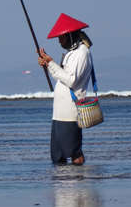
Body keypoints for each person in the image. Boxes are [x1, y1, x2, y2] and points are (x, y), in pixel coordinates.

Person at [38, 13, 93, 165]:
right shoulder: (72, 53)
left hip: (70, 112)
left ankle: (80, 185)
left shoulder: (81, 53)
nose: (59, 41)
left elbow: (71, 80)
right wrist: (49, 64)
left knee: (74, 152)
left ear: (69, 35)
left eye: (61, 37)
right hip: (60, 113)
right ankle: (63, 185)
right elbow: (62, 77)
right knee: (58, 155)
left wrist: (51, 63)